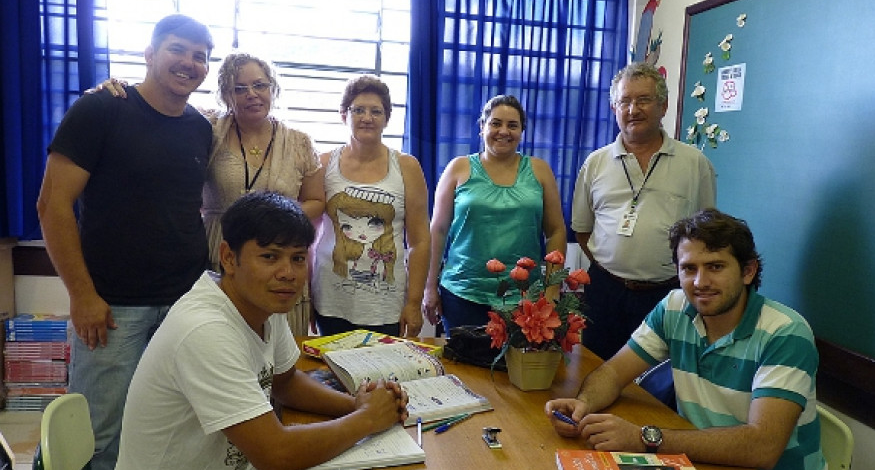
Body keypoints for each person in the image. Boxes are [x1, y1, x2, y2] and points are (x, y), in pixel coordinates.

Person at [102, 191, 408, 470]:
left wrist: (355, 405)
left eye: (298, 258)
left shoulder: (262, 303)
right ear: (229, 258)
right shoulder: (205, 330)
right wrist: (366, 419)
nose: (288, 273)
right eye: (269, 257)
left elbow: (285, 382)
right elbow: (275, 455)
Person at [35, 14, 215, 470]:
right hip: (113, 310)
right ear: (150, 52)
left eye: (200, 56)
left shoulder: (200, 129)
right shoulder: (100, 110)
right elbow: (52, 205)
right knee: (98, 437)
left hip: (183, 304)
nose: (189, 63)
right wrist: (82, 296)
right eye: (178, 50)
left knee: (169, 429)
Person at [545, 209, 830, 470]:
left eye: (716, 267)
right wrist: (584, 405)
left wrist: (644, 438)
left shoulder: (785, 333)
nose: (700, 281)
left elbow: (763, 446)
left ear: (748, 271)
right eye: (689, 268)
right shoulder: (673, 307)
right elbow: (614, 372)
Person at [97, 52, 325, 337]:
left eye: (260, 85)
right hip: (219, 249)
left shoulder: (299, 141)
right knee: (217, 340)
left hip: (279, 251)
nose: (251, 95)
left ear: (273, 88)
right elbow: (160, 108)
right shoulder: (206, 127)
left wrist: (273, 222)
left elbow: (317, 200)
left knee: (277, 349)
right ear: (225, 94)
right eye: (239, 88)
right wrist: (118, 88)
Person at [571, 62, 716, 360]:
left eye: (643, 100)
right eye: (625, 101)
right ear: (614, 108)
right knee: (596, 369)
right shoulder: (595, 163)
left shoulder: (694, 163)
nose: (633, 109)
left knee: (658, 381)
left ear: (663, 107)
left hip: (666, 293)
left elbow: (706, 231)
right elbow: (583, 228)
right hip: (604, 291)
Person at [422, 94, 566, 336]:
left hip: (523, 298)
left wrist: (552, 288)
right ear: (482, 127)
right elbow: (438, 230)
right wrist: (429, 286)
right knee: (464, 369)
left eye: (513, 125)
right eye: (496, 123)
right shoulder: (458, 168)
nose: (503, 131)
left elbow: (556, 231)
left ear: (522, 131)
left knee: (514, 372)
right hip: (461, 294)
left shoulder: (540, 170)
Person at [311, 75, 431, 337]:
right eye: (359, 110)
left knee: (382, 376)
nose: (367, 117)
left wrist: (413, 302)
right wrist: (305, 295)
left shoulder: (407, 167)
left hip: (386, 305)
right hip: (330, 300)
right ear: (344, 115)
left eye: (376, 111)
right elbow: (309, 236)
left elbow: (420, 241)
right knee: (329, 375)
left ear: (387, 118)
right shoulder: (322, 163)